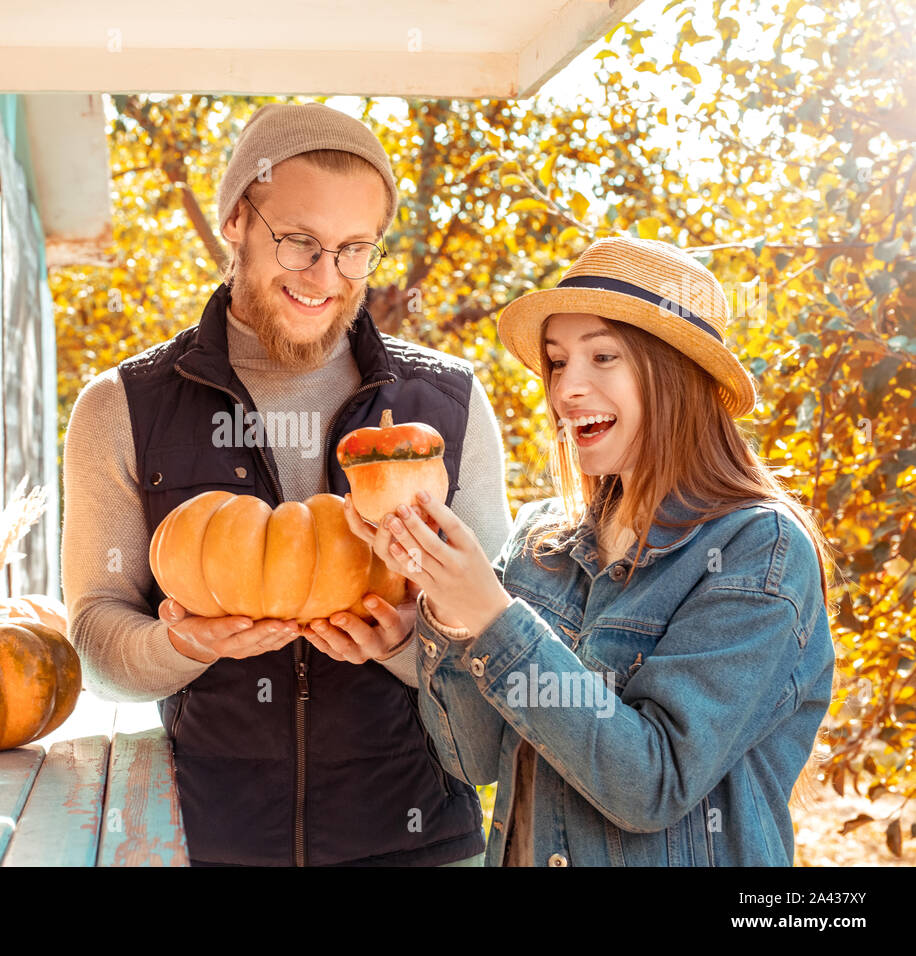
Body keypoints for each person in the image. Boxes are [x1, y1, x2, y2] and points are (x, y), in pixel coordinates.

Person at [61, 102, 512, 865]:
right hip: (206, 843)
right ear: (237, 218)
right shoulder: (123, 407)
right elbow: (96, 639)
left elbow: (500, 651)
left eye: (354, 249)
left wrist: (406, 648)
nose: (324, 278)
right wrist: (179, 646)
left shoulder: (449, 405)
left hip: (419, 843)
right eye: (299, 242)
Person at [344, 236, 835, 865]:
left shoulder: (756, 549)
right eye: (557, 361)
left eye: (603, 356)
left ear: (677, 375)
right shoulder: (541, 538)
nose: (566, 389)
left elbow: (652, 785)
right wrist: (445, 607)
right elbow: (471, 756)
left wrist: (493, 619)